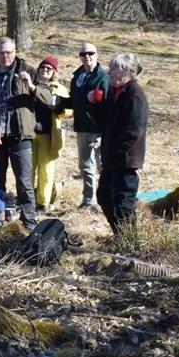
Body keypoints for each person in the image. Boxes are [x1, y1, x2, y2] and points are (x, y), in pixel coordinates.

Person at [0, 37, 39, 228]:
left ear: (15, 51)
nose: (6, 56)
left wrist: (30, 86)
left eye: (9, 52)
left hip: (19, 134)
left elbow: (44, 96)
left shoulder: (28, 71)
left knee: (24, 181)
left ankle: (29, 221)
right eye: (2, 52)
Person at [96, 53, 148, 235]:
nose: (108, 72)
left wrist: (115, 151)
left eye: (112, 68)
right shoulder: (115, 92)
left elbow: (133, 131)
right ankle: (121, 236)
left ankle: (129, 243)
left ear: (125, 71)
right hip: (111, 159)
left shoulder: (135, 95)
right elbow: (105, 121)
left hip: (125, 161)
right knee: (104, 196)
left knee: (123, 205)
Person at [61, 42, 110, 208]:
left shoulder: (103, 77)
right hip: (82, 128)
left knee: (104, 165)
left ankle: (108, 198)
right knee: (85, 165)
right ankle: (89, 200)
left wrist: (104, 132)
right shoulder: (77, 77)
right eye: (83, 54)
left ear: (97, 54)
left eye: (90, 53)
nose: (87, 57)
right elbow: (73, 101)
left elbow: (110, 105)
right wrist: (57, 102)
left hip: (99, 129)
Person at [31, 56, 72, 212]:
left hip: (49, 134)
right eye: (42, 67)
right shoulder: (31, 85)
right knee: (28, 169)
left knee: (46, 170)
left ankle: (43, 202)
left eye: (49, 68)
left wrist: (58, 109)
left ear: (54, 71)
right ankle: (28, 200)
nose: (45, 70)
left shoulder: (58, 88)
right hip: (30, 134)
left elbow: (69, 111)